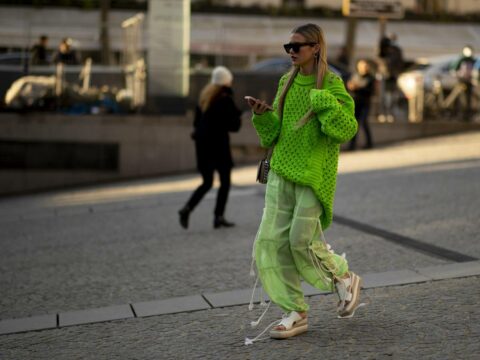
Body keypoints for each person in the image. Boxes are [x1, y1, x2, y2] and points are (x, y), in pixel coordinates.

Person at [244, 23, 362, 342]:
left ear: (316, 48)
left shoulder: (333, 84)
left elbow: (346, 129)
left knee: (300, 241)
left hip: (312, 175)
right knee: (270, 243)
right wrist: (262, 116)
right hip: (281, 171)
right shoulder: (286, 81)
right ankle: (295, 311)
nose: (292, 52)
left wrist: (323, 102)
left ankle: (344, 277)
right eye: (289, 47)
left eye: (297, 46)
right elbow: (275, 134)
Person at [178, 66, 242, 229]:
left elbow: (196, 124)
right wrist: (237, 112)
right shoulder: (225, 98)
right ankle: (218, 216)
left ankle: (187, 208)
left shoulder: (204, 98)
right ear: (227, 82)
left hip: (203, 146)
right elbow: (234, 126)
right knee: (225, 182)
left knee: (207, 182)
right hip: (219, 145)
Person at [347, 59, 375, 150]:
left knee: (363, 122)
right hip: (356, 103)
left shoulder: (370, 78)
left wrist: (358, 88)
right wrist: (351, 87)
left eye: (365, 66)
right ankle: (352, 145)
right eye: (362, 66)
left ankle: (369, 143)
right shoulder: (355, 76)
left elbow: (370, 91)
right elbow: (351, 87)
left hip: (365, 104)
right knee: (354, 124)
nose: (364, 68)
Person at [377, 34, 404, 122]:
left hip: (393, 75)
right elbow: (380, 56)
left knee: (392, 96)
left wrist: (397, 72)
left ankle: (390, 113)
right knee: (383, 96)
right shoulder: (383, 50)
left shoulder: (396, 50)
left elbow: (399, 62)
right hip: (384, 75)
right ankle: (383, 113)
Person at [451, 45, 477, 119]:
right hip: (461, 81)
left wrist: (474, 79)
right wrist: (458, 77)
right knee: (460, 97)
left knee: (468, 98)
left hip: (469, 81)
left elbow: (475, 70)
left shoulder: (473, 60)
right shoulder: (461, 60)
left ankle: (467, 114)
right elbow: (454, 69)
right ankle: (459, 113)